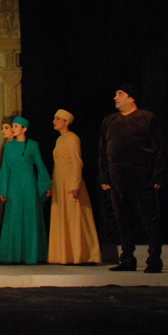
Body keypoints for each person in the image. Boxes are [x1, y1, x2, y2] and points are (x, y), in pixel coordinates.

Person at [99, 84, 167, 273]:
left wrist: (158, 175)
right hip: (117, 177)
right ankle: (127, 259)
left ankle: (154, 260)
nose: (115, 97)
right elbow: (103, 150)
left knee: (149, 220)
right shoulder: (109, 120)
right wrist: (104, 176)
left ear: (131, 98)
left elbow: (160, 148)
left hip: (142, 175)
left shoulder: (147, 118)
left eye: (120, 94)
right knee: (122, 220)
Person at [47, 109, 102, 264]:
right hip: (60, 182)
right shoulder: (59, 140)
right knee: (63, 217)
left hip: (70, 182)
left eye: (57, 118)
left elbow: (77, 162)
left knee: (75, 217)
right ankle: (65, 254)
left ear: (66, 122)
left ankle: (83, 254)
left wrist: (74, 184)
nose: (54, 121)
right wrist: (53, 185)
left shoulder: (72, 138)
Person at [0, 116, 51, 264]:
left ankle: (31, 255)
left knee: (30, 217)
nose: (13, 128)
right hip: (14, 185)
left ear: (24, 129)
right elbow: (5, 169)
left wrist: (46, 185)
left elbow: (40, 165)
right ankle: (12, 255)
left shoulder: (32, 145)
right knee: (13, 217)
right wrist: (2, 190)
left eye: (16, 126)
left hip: (29, 184)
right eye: (12, 126)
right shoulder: (9, 147)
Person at [0, 115, 17, 262]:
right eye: (2, 128)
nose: (3, 131)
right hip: (4, 185)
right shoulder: (6, 146)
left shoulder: (18, 146)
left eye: (6, 127)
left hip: (14, 186)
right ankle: (0, 253)